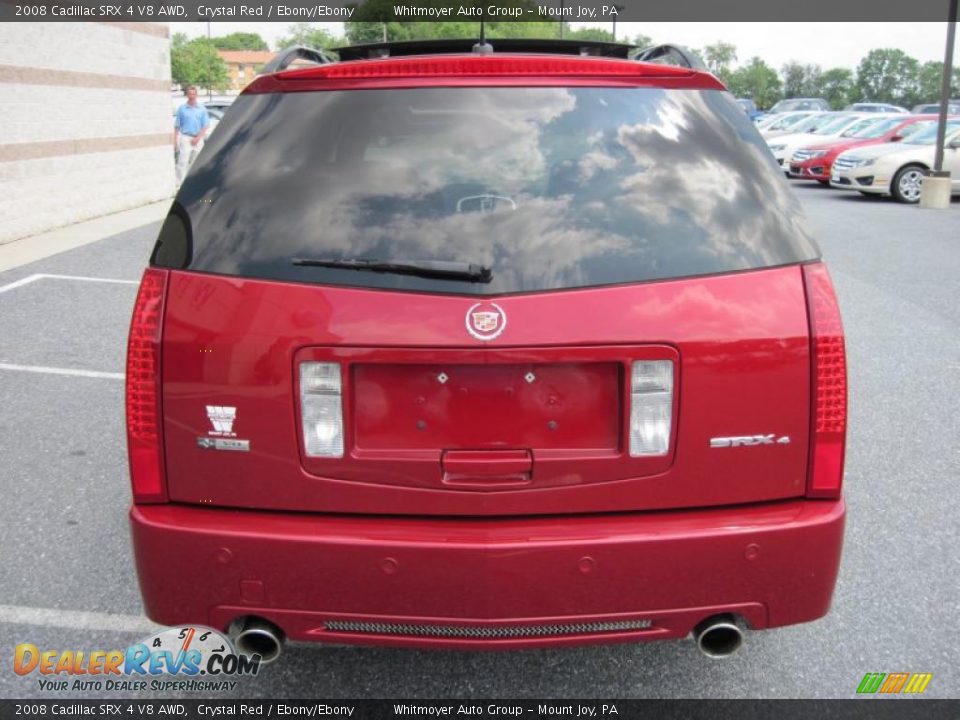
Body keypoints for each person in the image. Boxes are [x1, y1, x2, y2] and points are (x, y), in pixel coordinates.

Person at [173, 86, 209, 185]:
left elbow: (205, 125)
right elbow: (177, 125)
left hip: (198, 138)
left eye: (193, 93)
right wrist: (175, 140)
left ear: (196, 95)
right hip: (186, 137)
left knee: (196, 162)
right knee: (182, 161)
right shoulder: (182, 108)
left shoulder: (202, 109)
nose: (192, 95)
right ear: (187, 95)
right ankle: (179, 184)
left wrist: (198, 138)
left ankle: (192, 182)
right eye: (190, 93)